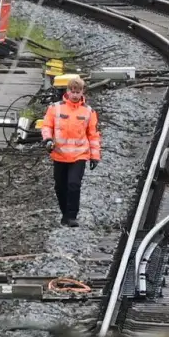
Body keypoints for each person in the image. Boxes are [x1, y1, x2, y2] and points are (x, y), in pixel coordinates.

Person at [42, 75, 100, 227]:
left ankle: (72, 215)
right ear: (67, 91)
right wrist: (47, 139)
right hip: (59, 155)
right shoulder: (55, 108)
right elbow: (47, 126)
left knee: (74, 184)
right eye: (72, 91)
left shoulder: (88, 112)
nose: (75, 94)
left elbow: (93, 135)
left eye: (78, 91)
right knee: (60, 186)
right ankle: (65, 214)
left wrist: (95, 156)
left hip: (79, 155)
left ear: (82, 92)